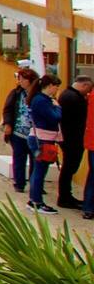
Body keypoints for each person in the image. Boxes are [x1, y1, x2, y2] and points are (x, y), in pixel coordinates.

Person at [27, 75, 63, 214]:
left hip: (42, 138)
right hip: (42, 139)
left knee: (39, 170)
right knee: (40, 171)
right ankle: (36, 202)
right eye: (56, 86)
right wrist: (58, 107)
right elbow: (55, 117)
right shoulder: (41, 100)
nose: (57, 89)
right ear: (49, 86)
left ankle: (34, 200)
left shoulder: (40, 99)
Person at [57, 76, 89, 210]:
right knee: (69, 168)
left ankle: (65, 196)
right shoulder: (74, 98)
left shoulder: (66, 94)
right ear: (84, 85)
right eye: (88, 90)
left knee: (68, 168)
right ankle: (64, 197)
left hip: (67, 138)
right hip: (72, 139)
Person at [4, 68, 38, 193]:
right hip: (18, 131)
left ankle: (35, 184)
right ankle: (19, 183)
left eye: (23, 79)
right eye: (20, 79)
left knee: (35, 160)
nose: (20, 81)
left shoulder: (38, 95)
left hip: (35, 133)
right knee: (19, 158)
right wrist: (8, 124)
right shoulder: (16, 93)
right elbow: (8, 109)